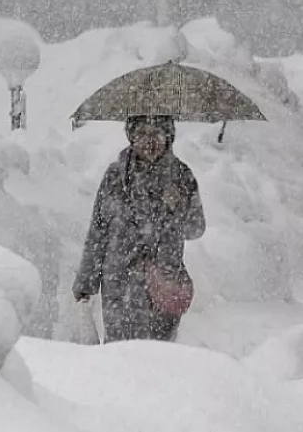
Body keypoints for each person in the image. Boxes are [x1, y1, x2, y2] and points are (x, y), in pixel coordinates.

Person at [72, 114, 206, 343]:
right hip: (119, 285)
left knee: (159, 355)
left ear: (168, 136)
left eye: (157, 133)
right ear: (131, 136)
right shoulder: (115, 176)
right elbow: (98, 232)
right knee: (119, 352)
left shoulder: (182, 176)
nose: (149, 141)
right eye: (142, 133)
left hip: (162, 284)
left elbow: (196, 228)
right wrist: (86, 282)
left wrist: (178, 206)